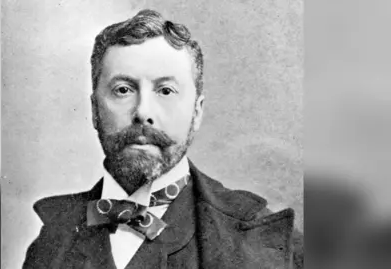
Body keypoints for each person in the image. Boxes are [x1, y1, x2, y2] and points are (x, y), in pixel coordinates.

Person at [22, 9, 303, 269]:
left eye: (166, 91)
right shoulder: (52, 238)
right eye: (123, 90)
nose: (143, 112)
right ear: (95, 110)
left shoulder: (264, 240)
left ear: (197, 111)